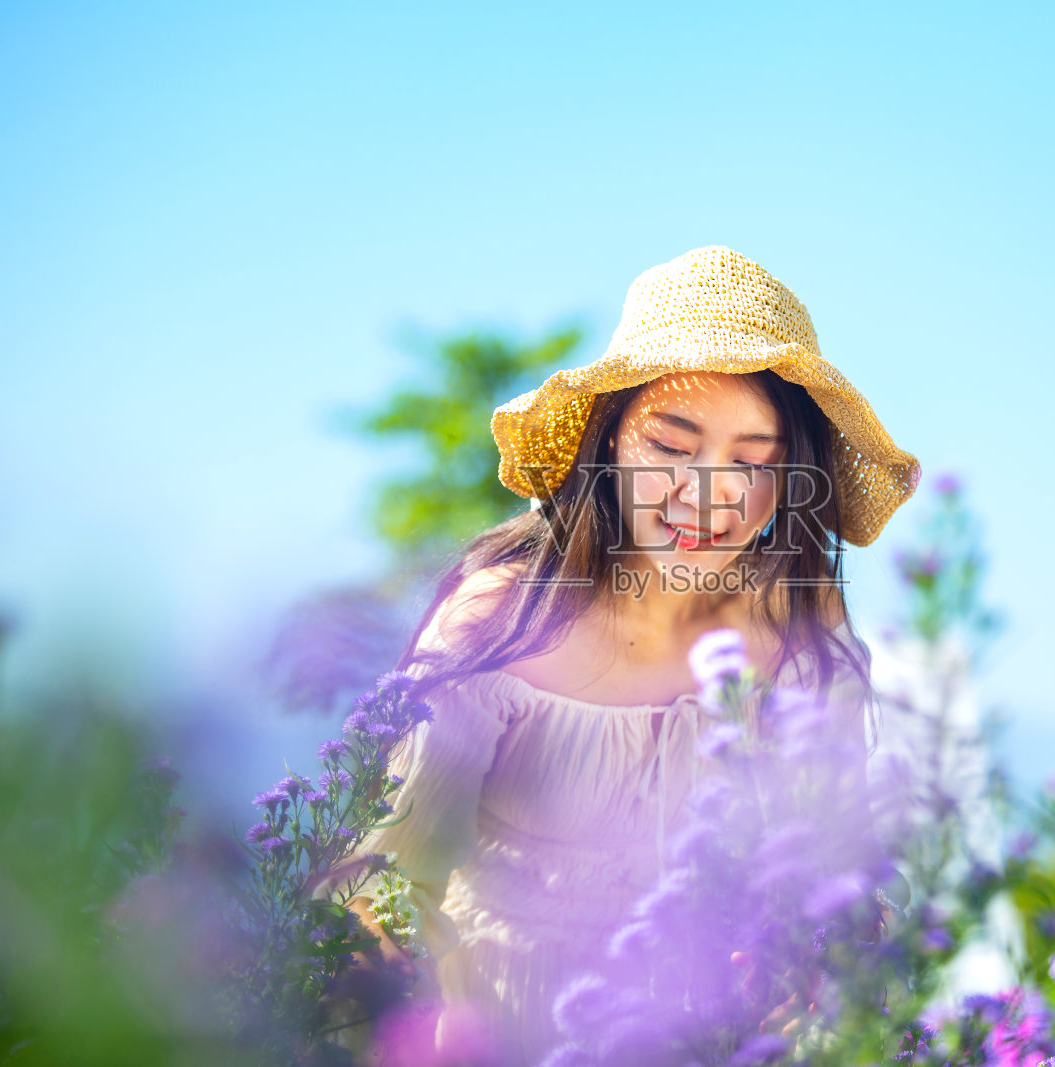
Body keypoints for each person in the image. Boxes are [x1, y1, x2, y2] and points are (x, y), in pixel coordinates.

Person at [322, 245, 922, 1065]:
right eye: (672, 446)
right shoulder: (498, 621)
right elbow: (383, 883)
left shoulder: (802, 640)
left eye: (753, 461)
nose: (708, 492)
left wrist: (833, 950)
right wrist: (379, 964)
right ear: (607, 443)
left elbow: (842, 868)